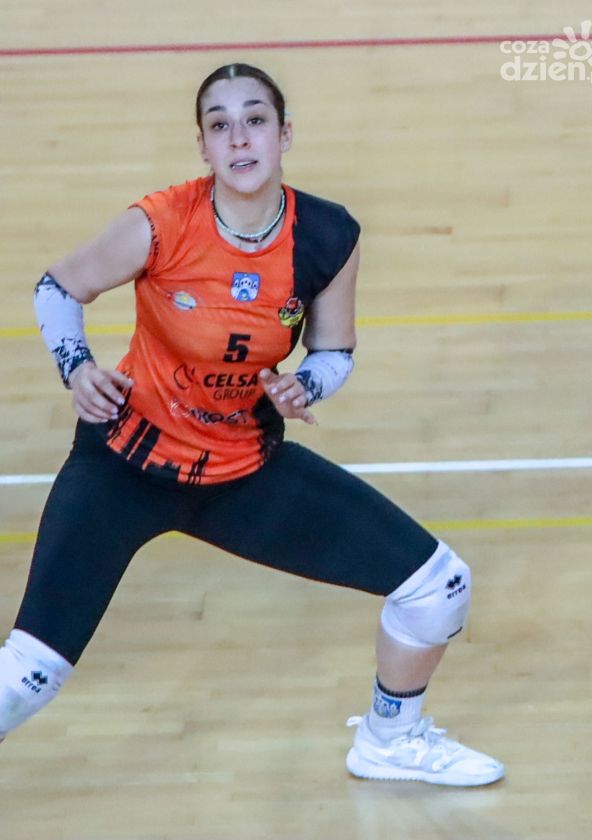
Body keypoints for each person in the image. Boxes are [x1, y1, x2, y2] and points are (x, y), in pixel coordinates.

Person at [0, 63, 504, 786]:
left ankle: (391, 742)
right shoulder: (160, 223)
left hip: (242, 471)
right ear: (203, 146)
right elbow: (58, 288)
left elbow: (333, 352)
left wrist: (307, 385)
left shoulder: (326, 235)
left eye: (256, 119)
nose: (239, 138)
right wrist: (77, 369)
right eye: (220, 124)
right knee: (27, 679)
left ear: (284, 134)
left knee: (439, 588)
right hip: (124, 466)